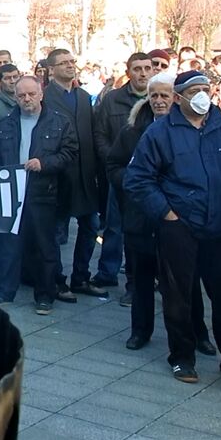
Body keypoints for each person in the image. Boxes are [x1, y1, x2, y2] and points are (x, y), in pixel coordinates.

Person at [124, 70, 221, 383]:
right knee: (178, 297)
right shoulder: (160, 132)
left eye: (206, 88)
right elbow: (136, 179)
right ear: (179, 97)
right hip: (179, 227)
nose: (202, 94)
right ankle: (182, 357)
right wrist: (166, 213)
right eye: (194, 90)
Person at [107, 72, 215, 354]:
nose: (158, 101)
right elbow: (114, 166)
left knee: (186, 281)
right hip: (141, 217)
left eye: (164, 95)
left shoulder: (192, 129)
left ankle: (198, 334)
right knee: (141, 277)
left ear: (176, 98)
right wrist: (133, 181)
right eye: (153, 95)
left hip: (180, 219)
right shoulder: (132, 130)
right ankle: (140, 331)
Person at [0, 77, 76, 313]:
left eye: (30, 94)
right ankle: (4, 289)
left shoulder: (59, 123)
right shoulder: (7, 123)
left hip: (43, 192)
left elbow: (69, 153)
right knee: (8, 243)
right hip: (12, 192)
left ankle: (45, 295)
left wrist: (45, 163)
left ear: (41, 94)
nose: (26, 99)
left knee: (45, 245)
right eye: (21, 96)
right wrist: (1, 172)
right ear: (15, 97)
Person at [43, 48, 104, 301]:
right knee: (57, 232)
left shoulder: (83, 96)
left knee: (90, 227)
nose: (70, 66)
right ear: (51, 69)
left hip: (86, 175)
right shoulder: (44, 97)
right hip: (59, 176)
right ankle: (57, 281)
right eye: (64, 62)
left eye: (72, 61)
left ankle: (81, 277)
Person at [92, 52, 152, 303]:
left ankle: (137, 281)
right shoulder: (113, 99)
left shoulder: (158, 100)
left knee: (142, 233)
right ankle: (107, 271)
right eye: (137, 68)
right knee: (114, 226)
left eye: (147, 68)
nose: (143, 73)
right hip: (120, 176)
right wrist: (112, 160)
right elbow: (100, 133)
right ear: (128, 73)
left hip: (149, 179)